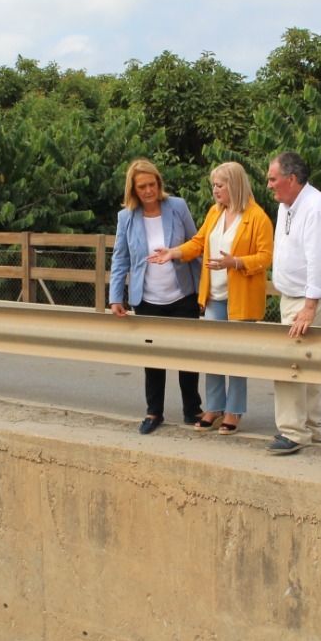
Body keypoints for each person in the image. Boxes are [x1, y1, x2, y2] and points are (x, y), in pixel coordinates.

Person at [148, 161, 273, 435]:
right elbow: (198, 243)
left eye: (219, 185)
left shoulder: (257, 217)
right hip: (215, 296)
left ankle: (234, 411)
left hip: (241, 299)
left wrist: (236, 262)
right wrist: (173, 252)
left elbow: (266, 257)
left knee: (236, 357)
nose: (215, 190)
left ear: (234, 185)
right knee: (214, 355)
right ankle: (214, 407)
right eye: (213, 185)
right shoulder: (215, 212)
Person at [109, 158, 203, 434]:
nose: (149, 190)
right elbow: (120, 258)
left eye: (152, 184)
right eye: (142, 187)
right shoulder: (126, 217)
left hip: (182, 294)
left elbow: (195, 245)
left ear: (159, 184)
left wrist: (203, 291)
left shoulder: (178, 206)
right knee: (153, 359)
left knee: (187, 356)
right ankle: (154, 412)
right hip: (147, 298)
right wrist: (116, 296)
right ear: (133, 189)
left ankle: (192, 409)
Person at [263, 150, 321, 455]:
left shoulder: (316, 209)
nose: (269, 185)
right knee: (307, 362)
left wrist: (309, 307)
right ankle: (310, 427)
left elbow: (318, 262)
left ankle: (293, 432)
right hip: (294, 296)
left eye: (273, 179)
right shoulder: (287, 205)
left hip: (310, 299)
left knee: (290, 363)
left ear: (292, 178)